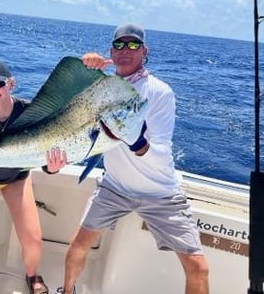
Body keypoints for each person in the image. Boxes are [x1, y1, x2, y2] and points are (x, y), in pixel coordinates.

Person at [55, 24, 209, 294]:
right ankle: (65, 291)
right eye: (119, 45)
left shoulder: (160, 92)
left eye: (134, 45)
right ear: (111, 52)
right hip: (115, 187)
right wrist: (84, 68)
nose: (126, 50)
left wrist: (138, 143)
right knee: (77, 247)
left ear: (144, 51)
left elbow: (161, 152)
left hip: (160, 192)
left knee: (199, 268)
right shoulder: (104, 86)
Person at [0, 59, 67, 294]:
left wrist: (52, 167)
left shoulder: (30, 112)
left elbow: (44, 159)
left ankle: (33, 276)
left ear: (11, 83)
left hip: (17, 177)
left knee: (33, 238)